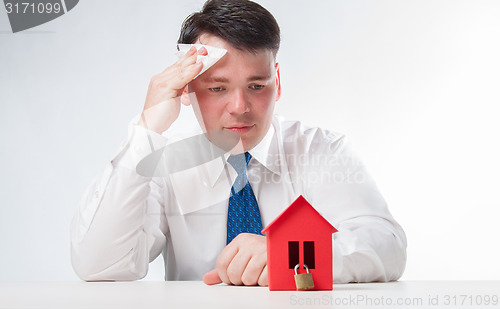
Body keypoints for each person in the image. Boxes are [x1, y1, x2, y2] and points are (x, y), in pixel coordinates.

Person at [71, 0, 407, 286]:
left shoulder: (320, 150)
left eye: (256, 86)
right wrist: (146, 132)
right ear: (187, 88)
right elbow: (100, 266)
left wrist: (293, 253)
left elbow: (387, 245)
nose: (240, 107)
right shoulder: (164, 163)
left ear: (276, 80)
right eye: (217, 88)